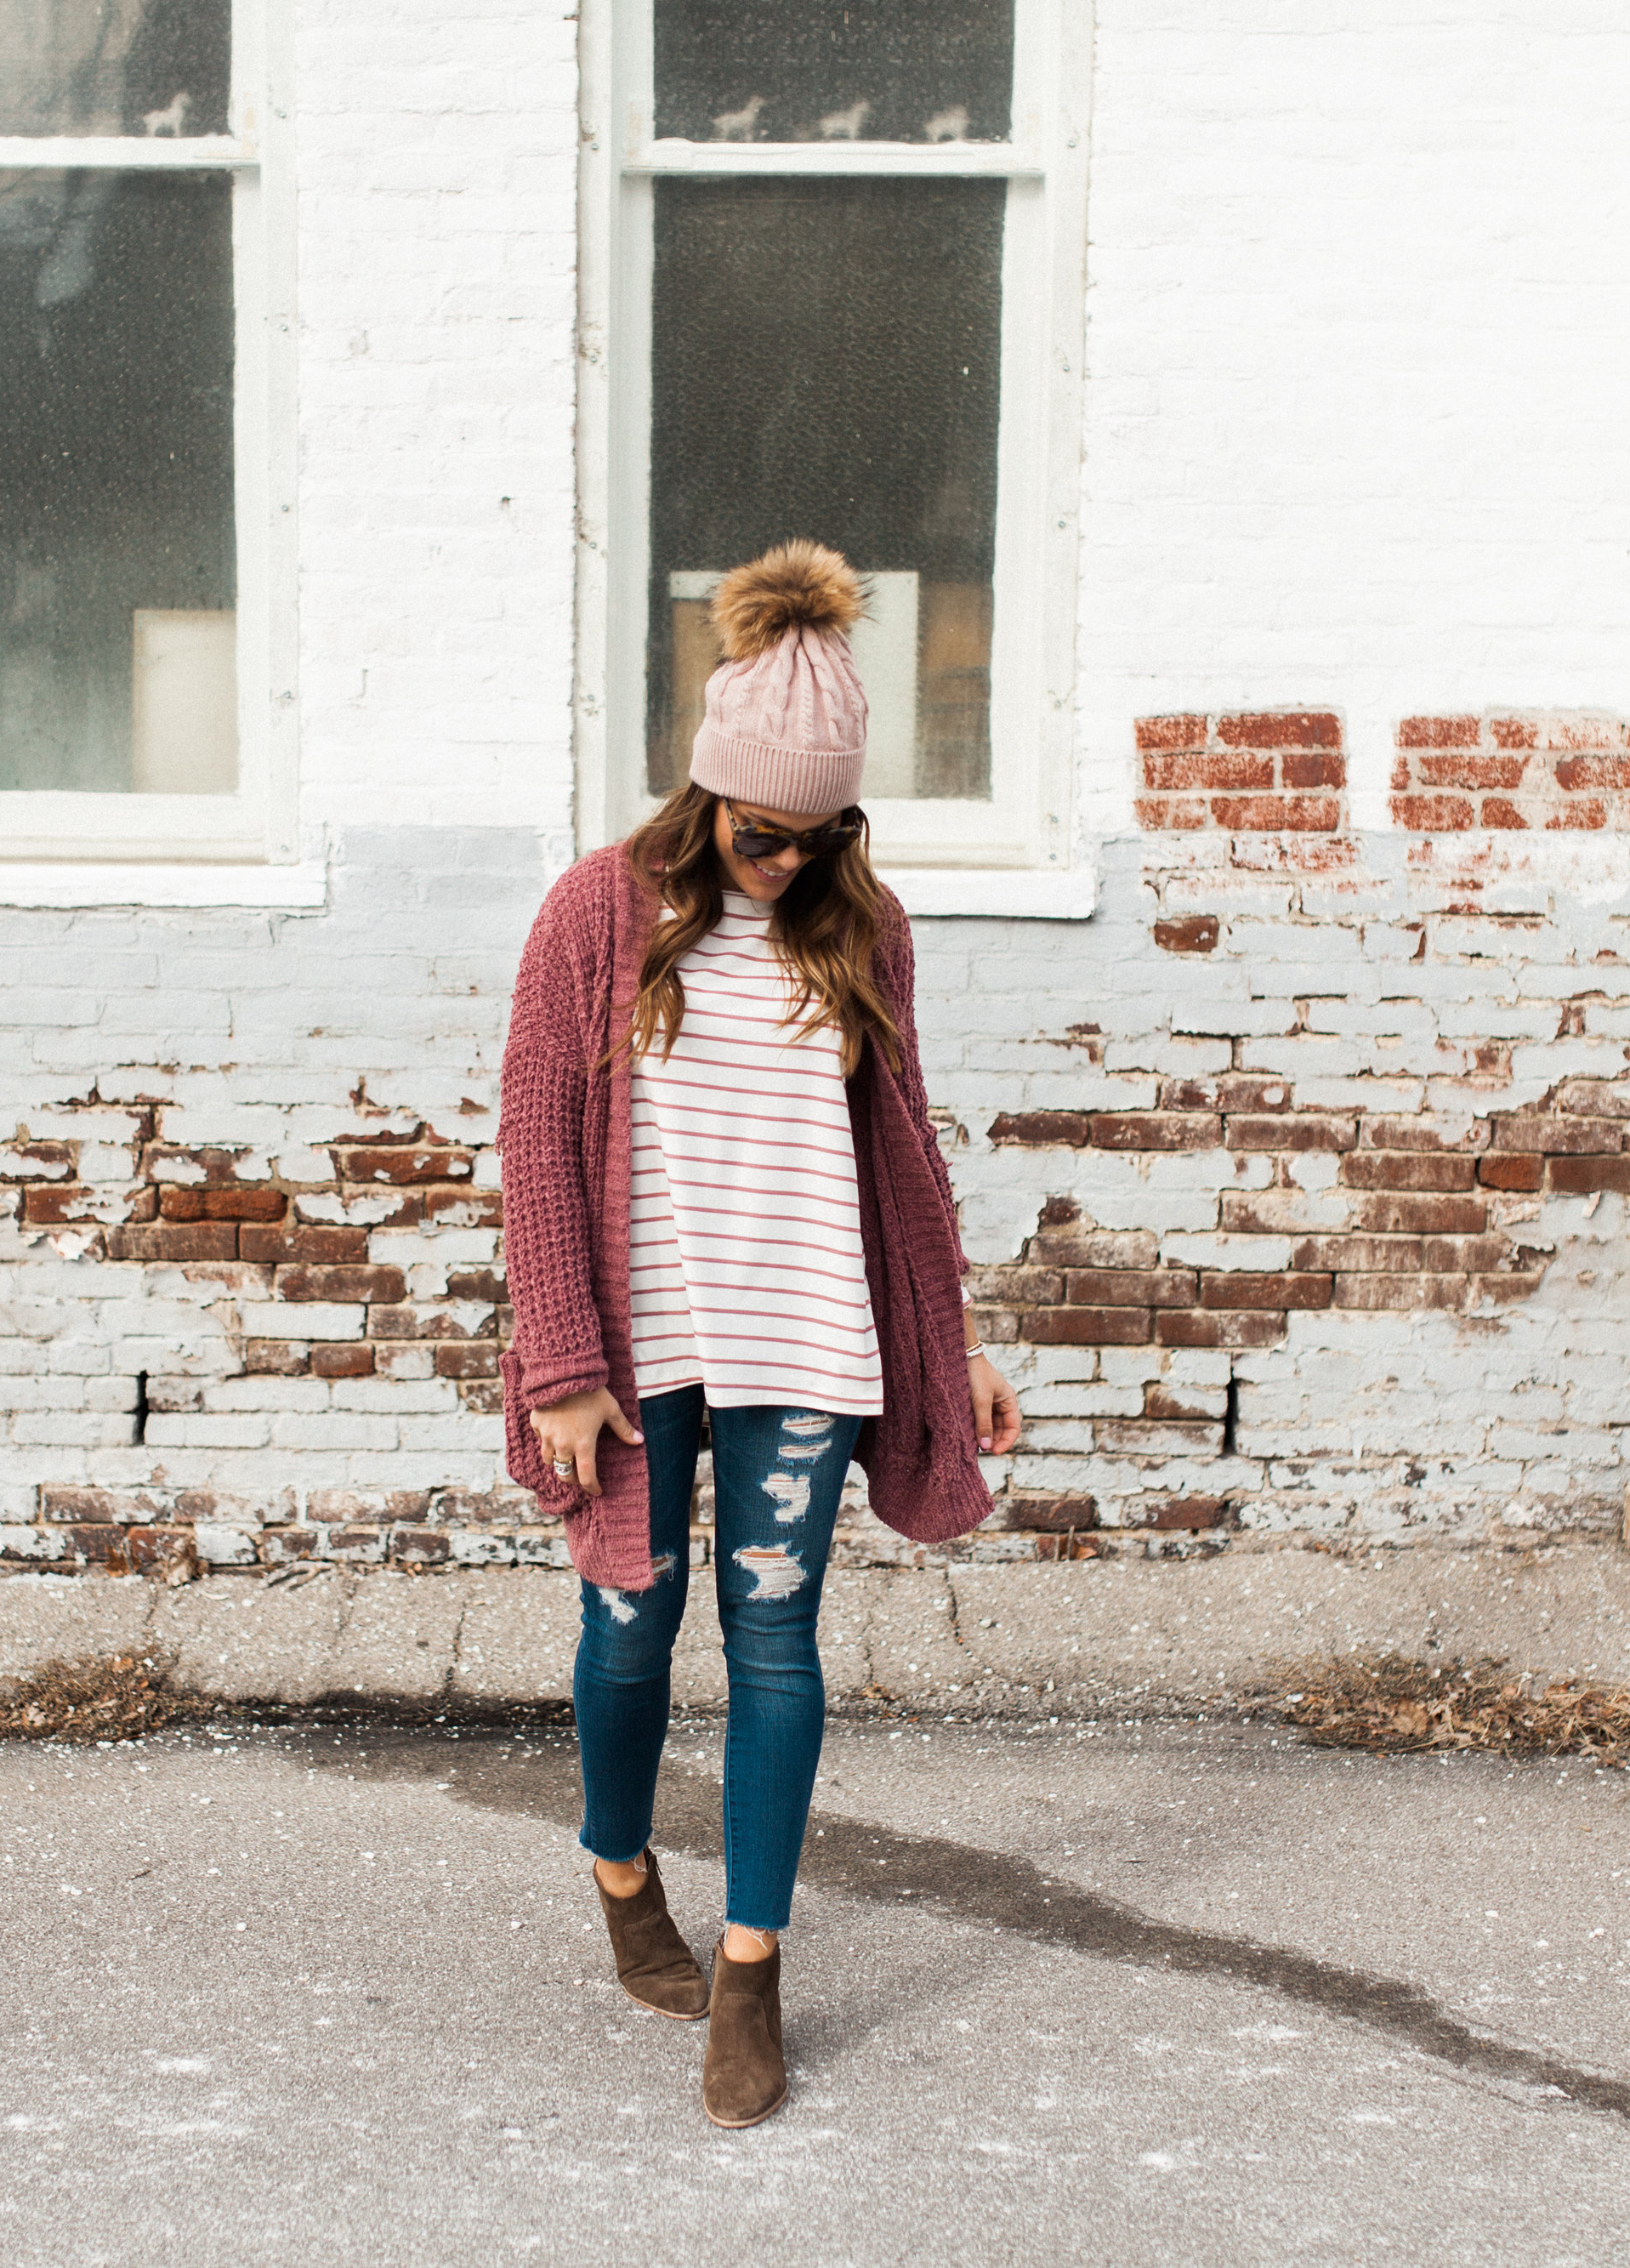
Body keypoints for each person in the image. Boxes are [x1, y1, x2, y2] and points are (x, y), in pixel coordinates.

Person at [497, 537, 1024, 2129]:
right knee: (627, 1633)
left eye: (817, 835)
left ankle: (752, 1969)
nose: (783, 862)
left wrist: (959, 1341)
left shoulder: (863, 928)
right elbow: (534, 1136)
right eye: (759, 831)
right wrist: (566, 1367)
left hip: (806, 1327)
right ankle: (618, 1873)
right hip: (642, 1346)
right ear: (708, 792)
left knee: (776, 1639)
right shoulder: (597, 912)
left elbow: (905, 1147)